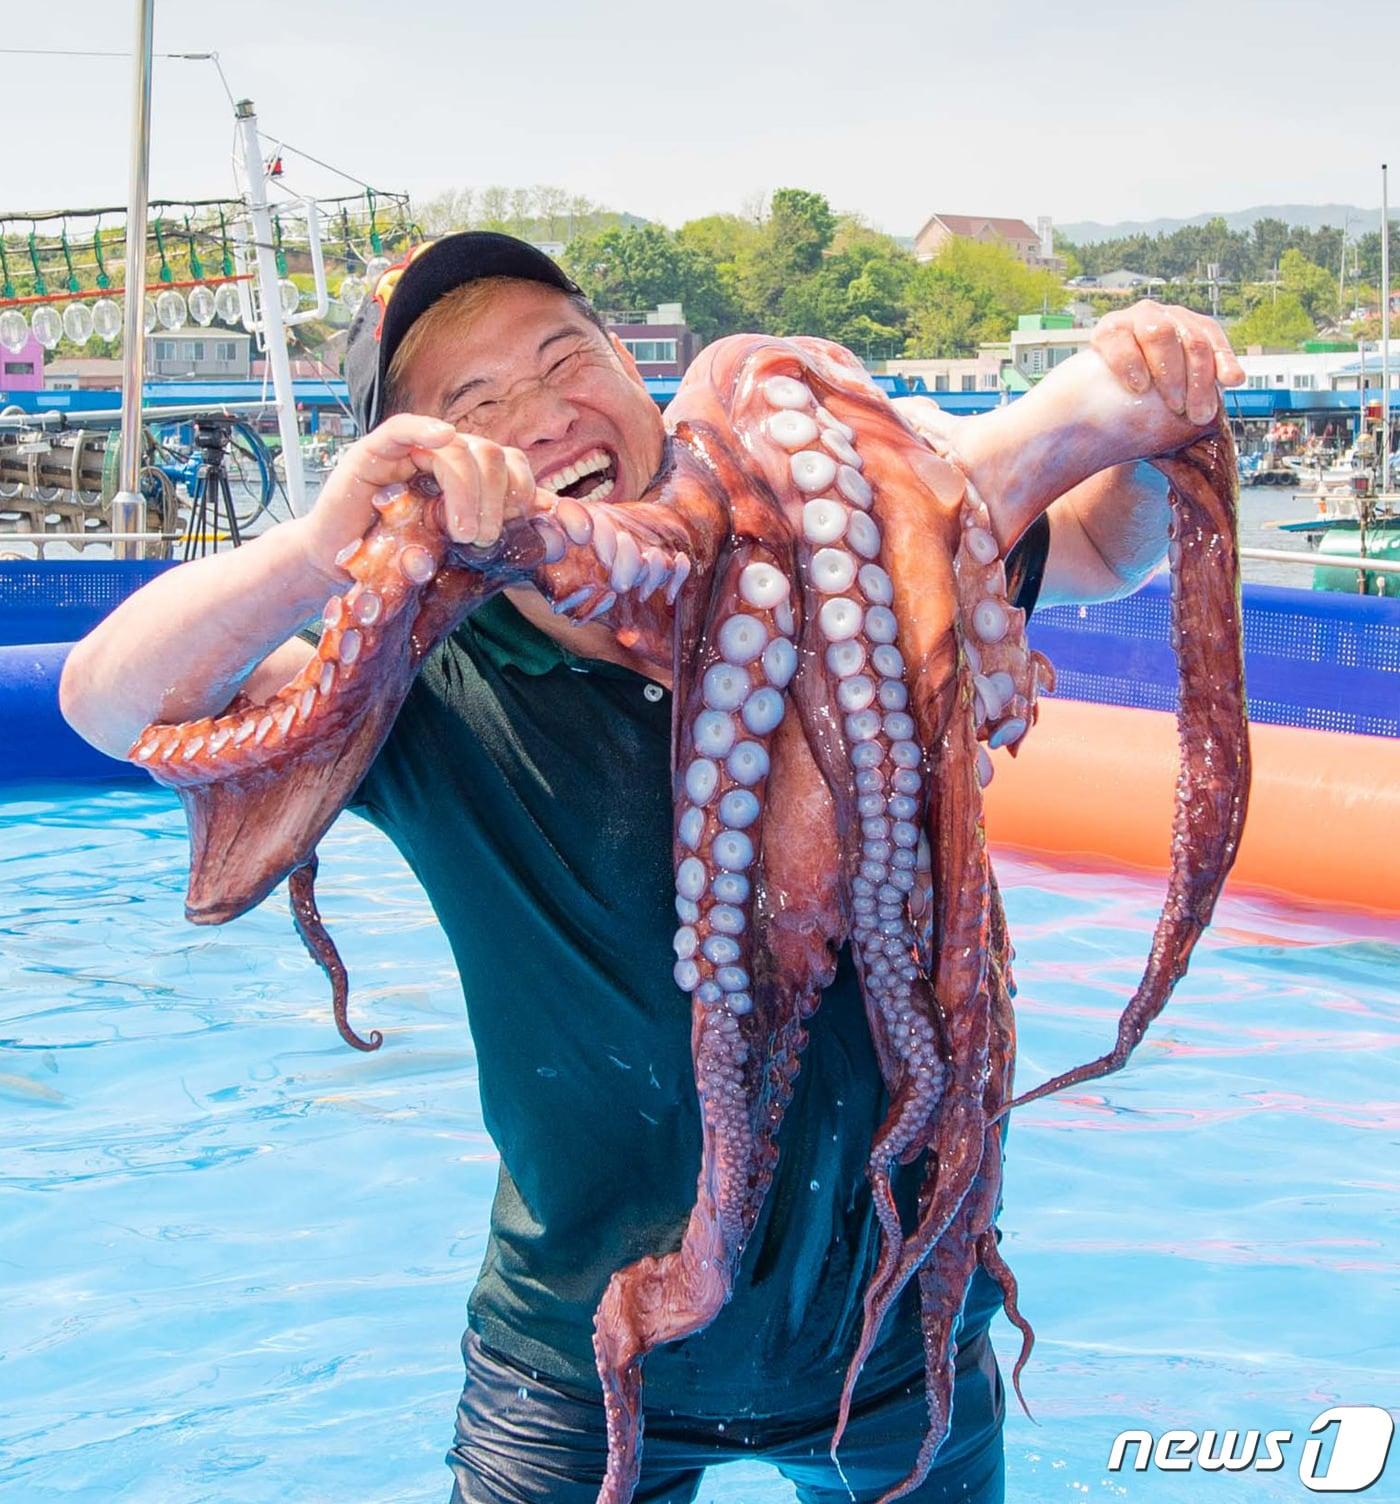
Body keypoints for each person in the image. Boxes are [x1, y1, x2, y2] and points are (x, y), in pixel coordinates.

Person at [61, 233, 1244, 1503]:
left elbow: (1104, 546)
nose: (540, 414)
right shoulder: (428, 688)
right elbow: (109, 704)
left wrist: (1145, 405)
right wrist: (316, 550)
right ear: (422, 469)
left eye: (562, 358)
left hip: (896, 1331)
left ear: (631, 369)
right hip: (569, 1352)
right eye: (475, 405)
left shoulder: (853, 570)